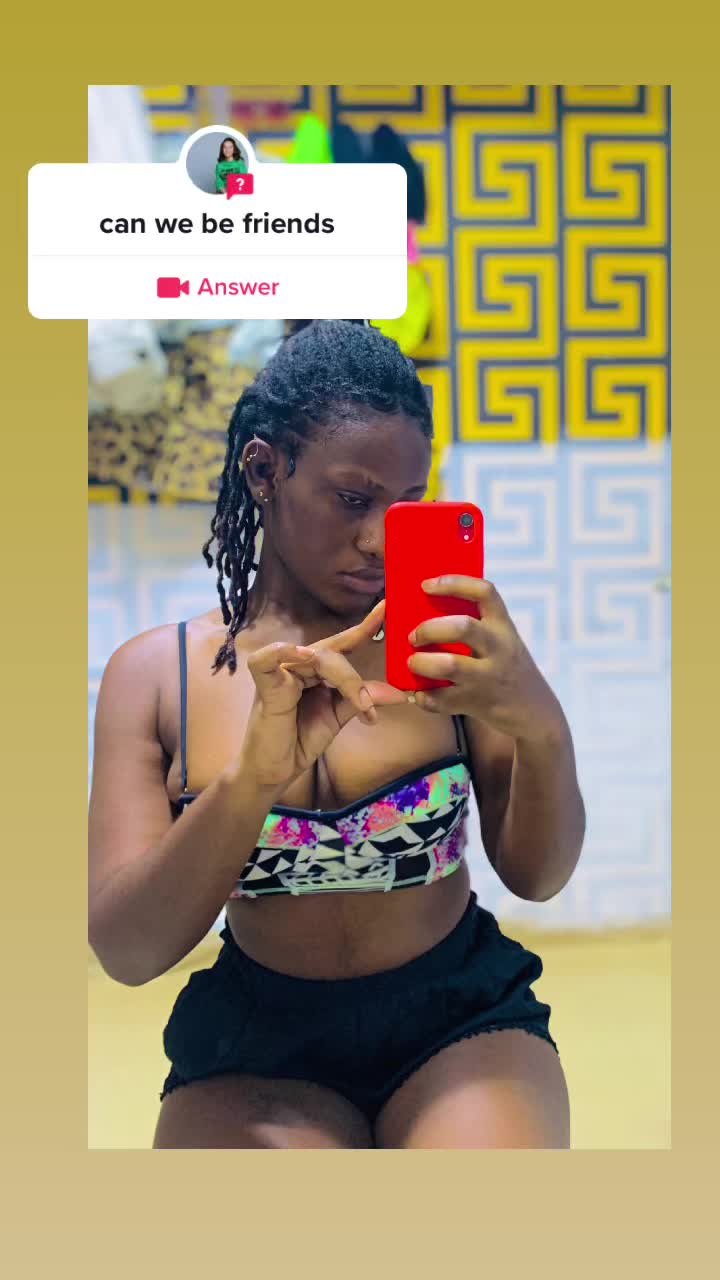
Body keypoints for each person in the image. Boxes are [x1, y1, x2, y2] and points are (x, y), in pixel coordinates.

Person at [88, 321, 585, 1149]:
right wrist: (252, 780)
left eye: (406, 505)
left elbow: (538, 877)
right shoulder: (156, 676)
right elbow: (128, 951)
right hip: (256, 1045)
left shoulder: (450, 652)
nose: (379, 539)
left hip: (458, 1020)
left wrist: (542, 724)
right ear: (264, 471)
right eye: (354, 500)